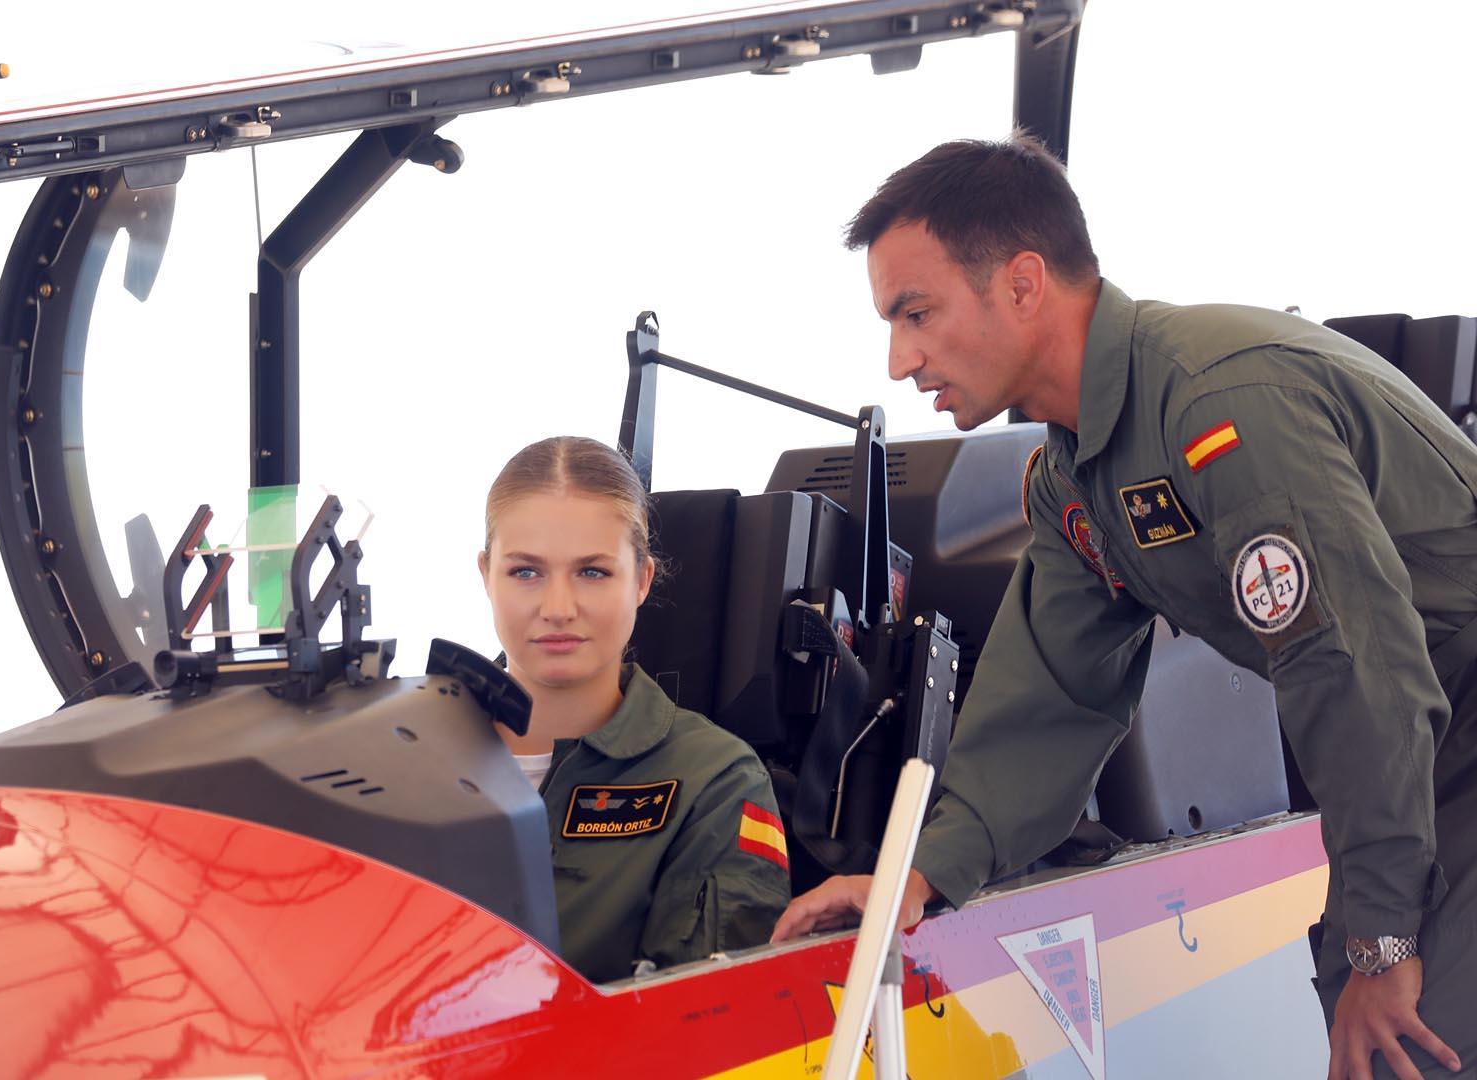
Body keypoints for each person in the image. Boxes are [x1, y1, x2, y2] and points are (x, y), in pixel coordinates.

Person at [770, 134, 1477, 1080]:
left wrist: (1385, 941)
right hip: (1424, 751)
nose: (900, 359)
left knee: (1412, 1038)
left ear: (1023, 284)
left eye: (916, 313)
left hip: (1446, 720)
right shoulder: (1074, 476)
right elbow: (1053, 696)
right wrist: (918, 876)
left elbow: (1352, 667)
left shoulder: (1219, 406)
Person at [479, 435, 790, 982]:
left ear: (642, 580)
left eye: (592, 572)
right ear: (486, 575)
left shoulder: (713, 783)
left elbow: (707, 1027)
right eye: (526, 571)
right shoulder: (398, 751)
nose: (557, 608)